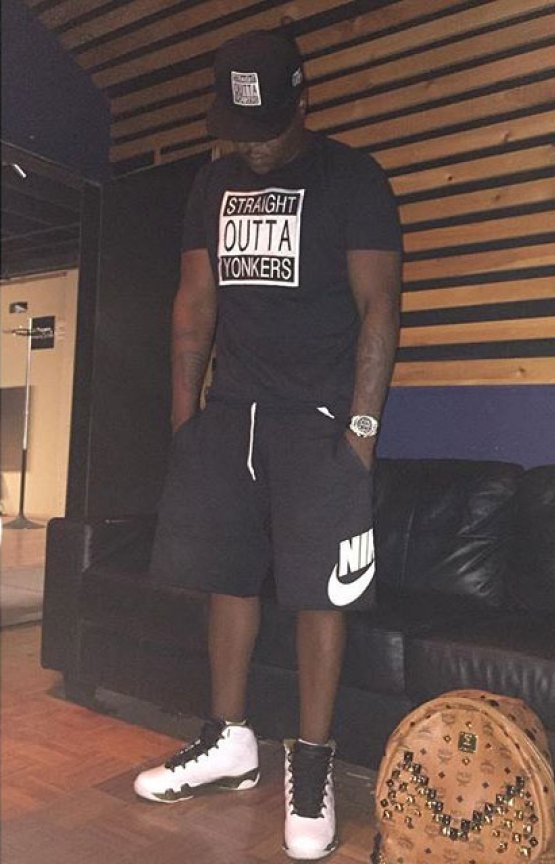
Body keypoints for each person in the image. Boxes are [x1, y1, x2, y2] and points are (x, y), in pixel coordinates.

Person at [133, 28, 402, 860]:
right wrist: (186, 424)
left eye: (265, 130)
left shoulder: (352, 179)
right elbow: (193, 304)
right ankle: (230, 742)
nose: (249, 147)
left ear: (301, 101)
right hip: (231, 416)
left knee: (320, 594)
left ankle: (311, 763)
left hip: (320, 420)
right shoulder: (212, 183)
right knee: (228, 576)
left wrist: (360, 433)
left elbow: (380, 308)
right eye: (236, 129)